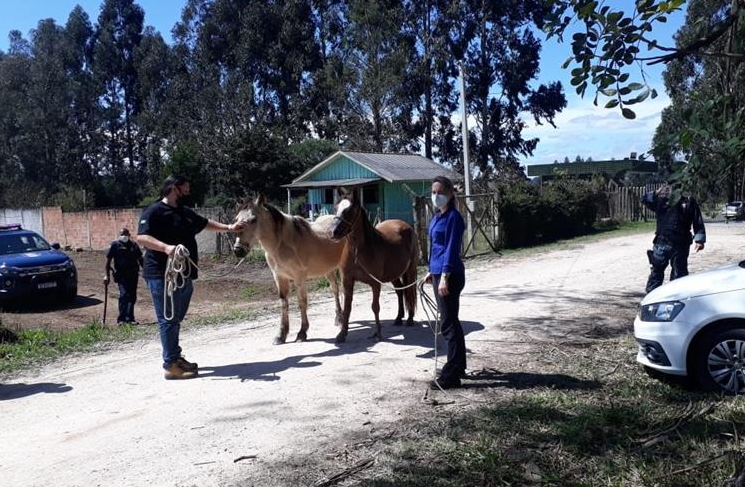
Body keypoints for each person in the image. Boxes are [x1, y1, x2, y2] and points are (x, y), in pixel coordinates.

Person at [137, 175, 247, 380]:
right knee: (168, 318)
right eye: (184, 189)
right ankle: (170, 364)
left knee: (176, 318)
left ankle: (175, 356)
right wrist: (166, 248)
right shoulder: (153, 211)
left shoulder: (184, 212)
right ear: (172, 188)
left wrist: (229, 228)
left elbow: (205, 223)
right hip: (162, 274)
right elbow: (142, 237)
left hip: (184, 274)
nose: (188, 192)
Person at [424, 175, 466, 390]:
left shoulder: (454, 218)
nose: (436, 196)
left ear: (450, 194)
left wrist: (445, 277)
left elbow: (450, 249)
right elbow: (435, 249)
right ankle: (458, 366)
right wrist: (431, 271)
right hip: (439, 274)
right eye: (433, 192)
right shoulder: (436, 218)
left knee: (448, 324)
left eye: (440, 192)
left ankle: (451, 376)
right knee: (452, 321)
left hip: (450, 276)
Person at [641, 183, 706, 293]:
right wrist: (656, 193)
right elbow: (644, 199)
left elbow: (697, 220)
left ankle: (675, 301)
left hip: (681, 244)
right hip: (661, 243)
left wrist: (699, 239)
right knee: (656, 273)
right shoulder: (661, 200)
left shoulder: (689, 201)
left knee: (679, 276)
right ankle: (650, 301)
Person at [104, 228, 143, 325]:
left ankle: (130, 318)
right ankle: (121, 319)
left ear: (129, 234)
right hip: (121, 275)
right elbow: (108, 262)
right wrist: (107, 275)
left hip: (133, 274)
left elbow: (140, 259)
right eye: (122, 234)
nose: (124, 236)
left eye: (125, 234)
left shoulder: (134, 245)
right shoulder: (115, 245)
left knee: (132, 296)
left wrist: (146, 271)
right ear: (119, 235)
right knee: (124, 295)